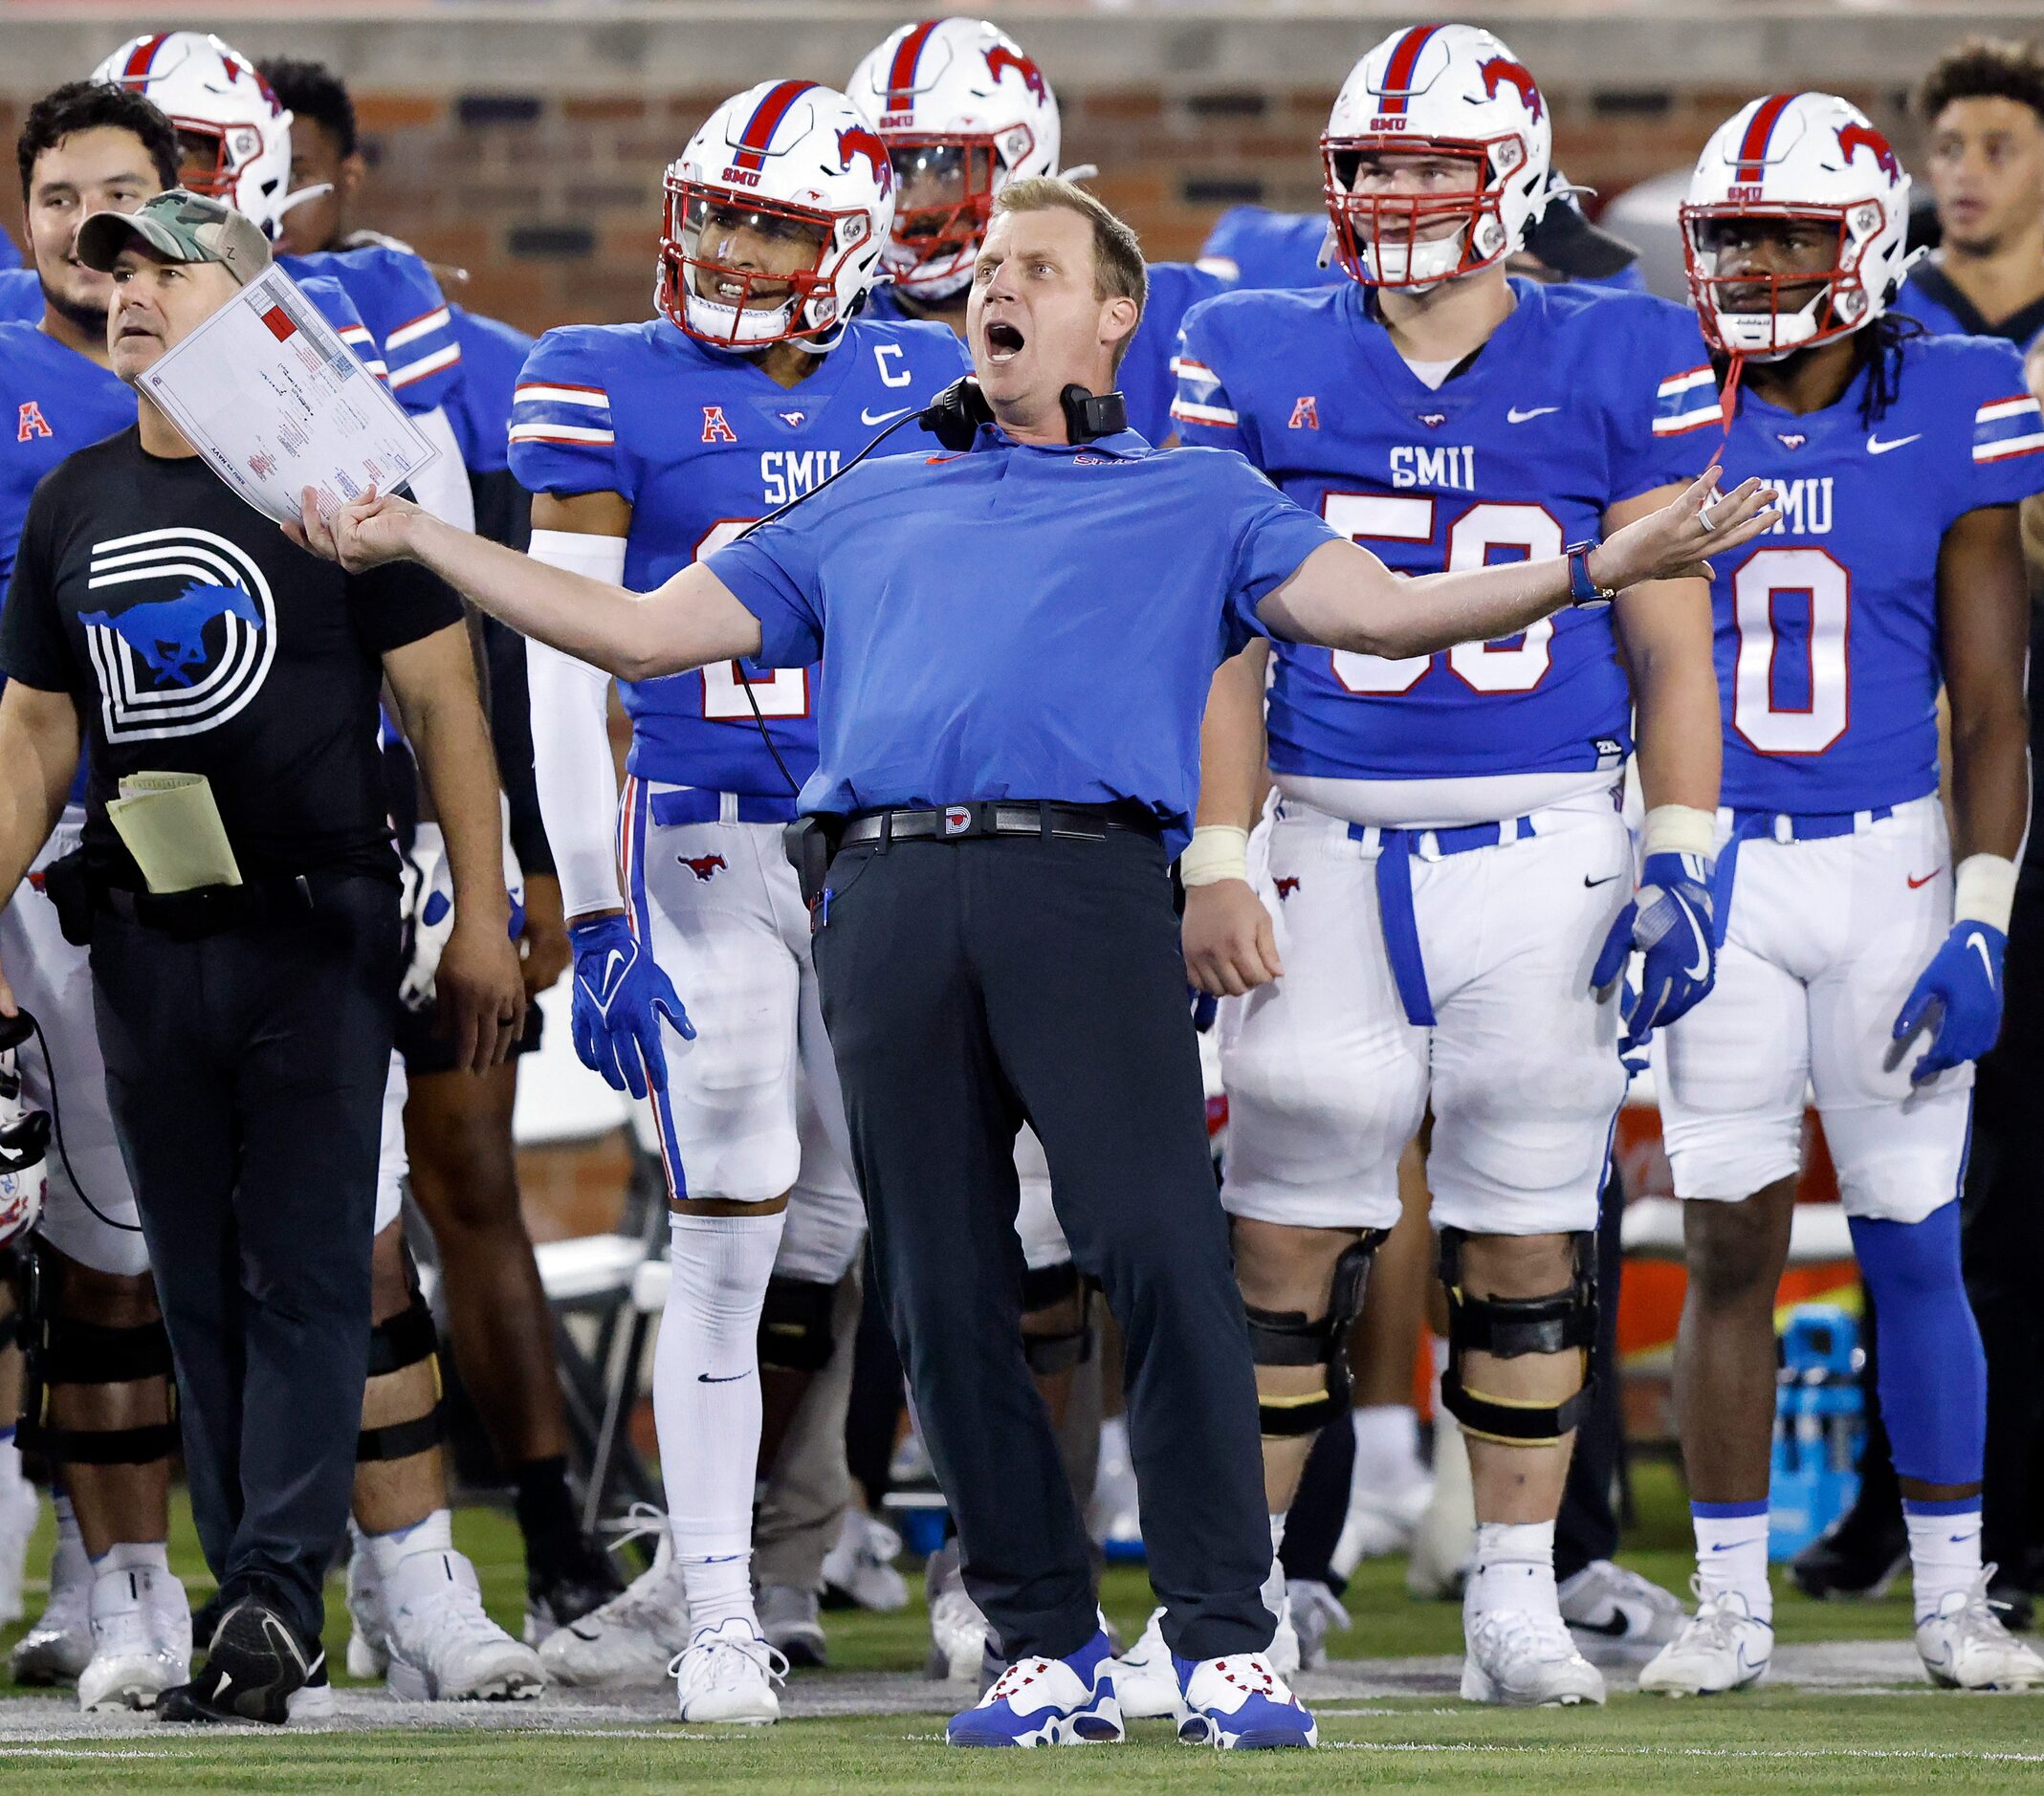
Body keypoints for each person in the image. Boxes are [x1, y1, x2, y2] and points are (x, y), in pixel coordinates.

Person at [292, 171, 1770, 1748]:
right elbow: (640, 633)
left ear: (1113, 310)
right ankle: (1041, 1643)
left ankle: (1220, 1633)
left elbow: (1393, 616)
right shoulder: (870, 490)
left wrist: (1602, 566)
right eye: (984, 265)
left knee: (1154, 1251)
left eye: (1035, 264)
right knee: (938, 1285)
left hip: (1086, 878)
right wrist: (416, 540)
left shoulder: (1197, 494)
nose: (993, 283)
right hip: (883, 889)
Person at [1163, 24, 1718, 1710]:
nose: (1398, 197)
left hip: (1544, 833)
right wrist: (1213, 850)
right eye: (1374, 167)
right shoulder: (1251, 343)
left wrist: (1684, 851)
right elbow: (1225, 642)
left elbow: (1673, 646)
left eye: (1432, 166)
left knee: (1528, 1232)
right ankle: (1236, 1603)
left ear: (1513, 178)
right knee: (1280, 1231)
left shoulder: (1620, 349)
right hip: (1325, 837)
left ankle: (1512, 1593)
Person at [0, 189, 527, 1724]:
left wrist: (483, 911)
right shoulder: (77, 496)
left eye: (167, 269)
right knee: (193, 1282)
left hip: (318, 916)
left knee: (304, 1264)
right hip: (145, 925)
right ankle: (255, 1592)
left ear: (253, 299)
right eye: (117, 275)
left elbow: (447, 710)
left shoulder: (349, 482)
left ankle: (278, 1590)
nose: (133, 295)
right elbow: (37, 732)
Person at [505, 79, 966, 1718]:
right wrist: (594, 904)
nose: (734, 245)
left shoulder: (931, 371)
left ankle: (756, 1560)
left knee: (849, 1218)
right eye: (718, 211)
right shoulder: (599, 377)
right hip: (705, 834)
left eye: (774, 221)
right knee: (734, 1208)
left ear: (850, 246)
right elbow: (567, 672)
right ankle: (712, 1607)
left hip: (898, 844)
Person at [1638, 93, 2044, 1697]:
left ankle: (1953, 1591)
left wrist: (1984, 909)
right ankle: (1726, 1595)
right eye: (1730, 234)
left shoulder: (1952, 391)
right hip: (1721, 862)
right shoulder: (1669, 402)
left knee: (1913, 1238)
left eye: (1784, 235)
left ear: (1862, 245)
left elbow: (1995, 699)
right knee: (1730, 1238)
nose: (1748, 263)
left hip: (1886, 856)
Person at [257, 51, 622, 1644]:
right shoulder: (110, 348)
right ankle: (245, 1539)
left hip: (428, 807)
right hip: (269, 818)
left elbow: (500, 639)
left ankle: (548, 1528)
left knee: (465, 1172)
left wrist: (526, 869)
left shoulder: (440, 342)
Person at [1797, 37, 2044, 1619]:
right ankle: (1900, 1495)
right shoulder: (1885, 331)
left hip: (2017, 763)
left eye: (1997, 144)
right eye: (1943, 141)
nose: (1961, 169)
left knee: (2013, 1173)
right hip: (1889, 779)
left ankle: (2008, 1514)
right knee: (1906, 1163)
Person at [847, 15, 1229, 447]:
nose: (915, 201)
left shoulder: (1173, 315)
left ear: (1022, 157)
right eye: (895, 172)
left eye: (949, 168)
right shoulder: (839, 338)